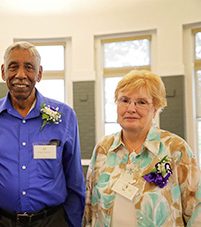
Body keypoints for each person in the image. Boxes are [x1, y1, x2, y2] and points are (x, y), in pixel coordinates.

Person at [0, 41, 85, 227]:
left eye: (29, 68)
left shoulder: (64, 116)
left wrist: (73, 222)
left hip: (51, 221)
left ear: (39, 74)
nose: (20, 75)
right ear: (3, 72)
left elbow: (74, 179)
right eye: (13, 67)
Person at [83, 70, 201, 226]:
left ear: (155, 108)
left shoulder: (176, 149)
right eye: (124, 100)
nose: (131, 109)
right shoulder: (103, 148)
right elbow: (89, 209)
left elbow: (196, 211)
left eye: (141, 102)